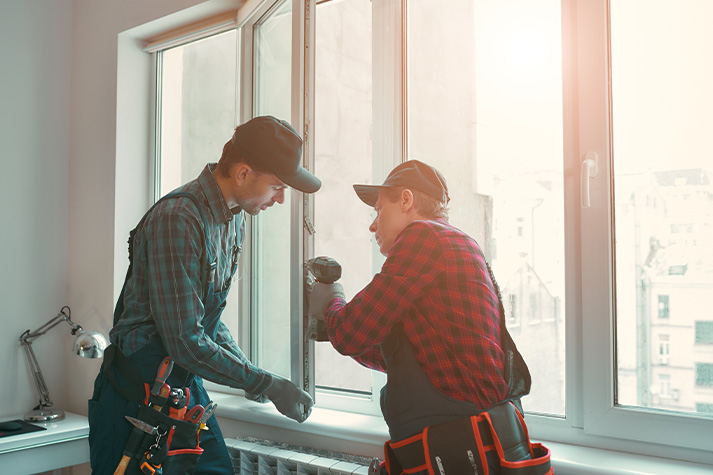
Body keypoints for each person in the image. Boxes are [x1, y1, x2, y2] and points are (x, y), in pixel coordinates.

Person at [89, 116, 317, 475]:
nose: (281, 198)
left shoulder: (234, 217)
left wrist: (251, 376)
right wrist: (266, 383)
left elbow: (207, 321)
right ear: (243, 173)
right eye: (276, 186)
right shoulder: (178, 218)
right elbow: (185, 340)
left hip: (181, 384)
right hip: (137, 393)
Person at [309, 160, 548, 475]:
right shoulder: (462, 244)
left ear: (406, 200)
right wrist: (333, 329)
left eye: (378, 210)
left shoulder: (424, 236)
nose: (372, 224)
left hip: (460, 444)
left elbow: (352, 331)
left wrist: (331, 300)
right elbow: (411, 359)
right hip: (487, 438)